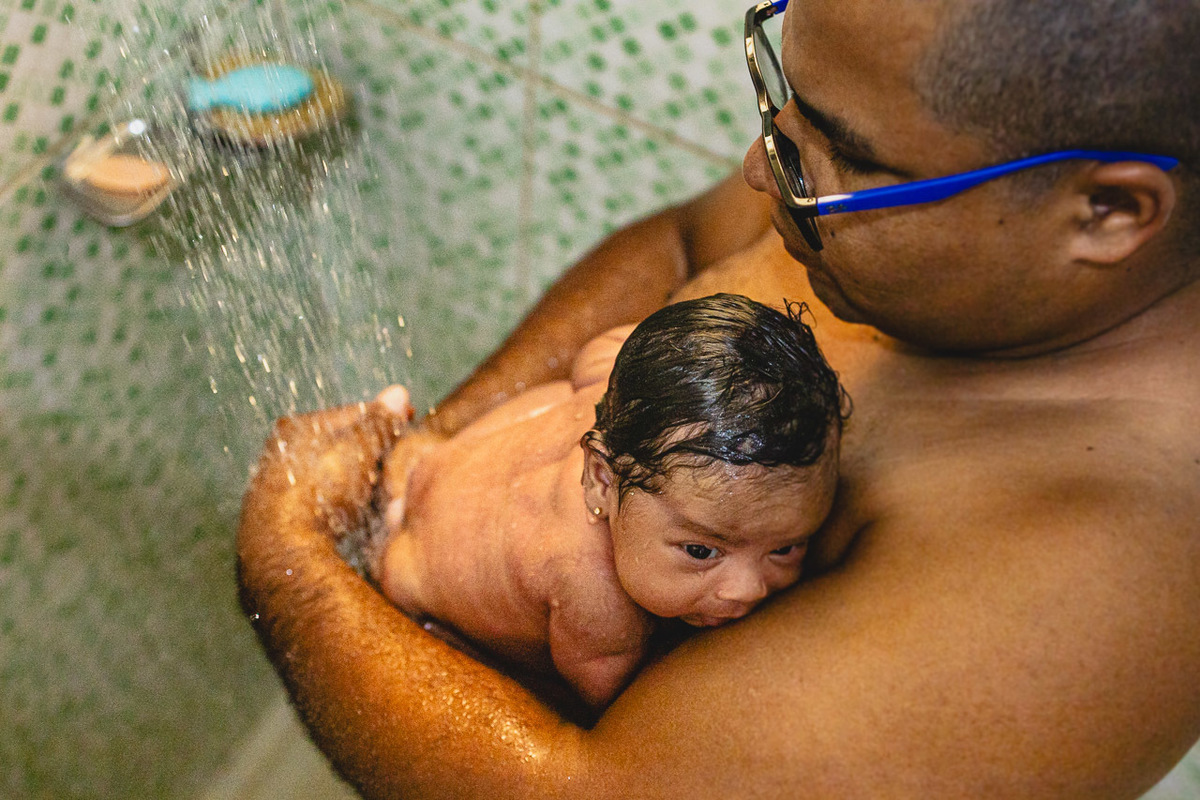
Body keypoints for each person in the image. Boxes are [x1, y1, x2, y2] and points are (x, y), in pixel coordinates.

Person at [236, 0, 1200, 797]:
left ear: (1107, 212)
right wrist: (434, 454)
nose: (758, 169)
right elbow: (689, 243)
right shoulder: (871, 190)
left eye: (844, 157)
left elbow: (584, 793)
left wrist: (291, 562)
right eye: (784, 100)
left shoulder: (1091, 587)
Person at [371, 294, 844, 709]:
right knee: (524, 688)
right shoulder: (599, 601)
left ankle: (396, 449)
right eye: (702, 551)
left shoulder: (619, 387)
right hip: (409, 576)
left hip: (439, 470)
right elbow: (613, 716)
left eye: (785, 548)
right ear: (599, 479)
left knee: (567, 396)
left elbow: (602, 346)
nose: (747, 589)